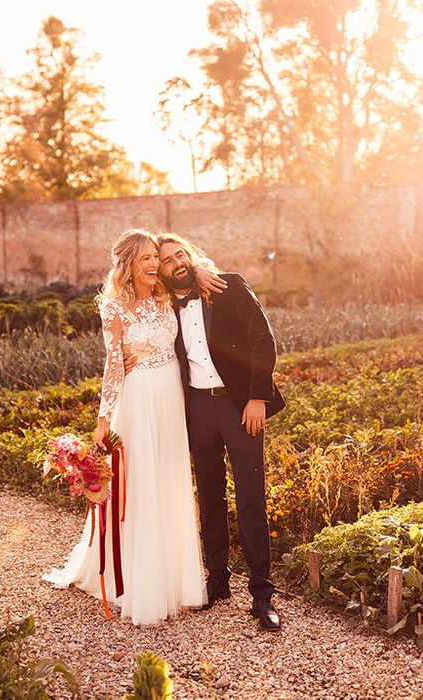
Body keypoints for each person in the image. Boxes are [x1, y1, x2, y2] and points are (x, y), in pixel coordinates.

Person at [42, 228, 223, 626]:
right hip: (139, 399)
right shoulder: (114, 308)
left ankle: (178, 579)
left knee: (171, 479)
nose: (155, 265)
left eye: (155, 258)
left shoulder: (166, 295)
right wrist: (103, 421)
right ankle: (142, 581)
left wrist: (205, 269)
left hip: (173, 397)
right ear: (128, 265)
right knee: (140, 485)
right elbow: (112, 366)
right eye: (146, 260)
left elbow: (195, 271)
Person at [156, 232, 286, 632]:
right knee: (209, 496)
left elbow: (262, 341)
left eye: (182, 255)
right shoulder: (162, 307)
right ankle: (217, 582)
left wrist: (257, 398)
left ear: (192, 257)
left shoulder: (226, 284)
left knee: (250, 497)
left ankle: (262, 595)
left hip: (238, 405)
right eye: (167, 260)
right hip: (197, 408)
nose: (177, 262)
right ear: (160, 271)